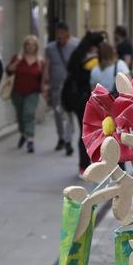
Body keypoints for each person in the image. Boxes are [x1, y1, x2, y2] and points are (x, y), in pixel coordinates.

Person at [63, 31, 106, 174]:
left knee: (84, 132)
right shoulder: (92, 61)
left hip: (76, 100)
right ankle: (91, 163)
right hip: (88, 100)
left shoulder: (77, 55)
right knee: (93, 132)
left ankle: (83, 165)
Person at [7, 35, 49, 154]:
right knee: (20, 116)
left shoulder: (40, 61)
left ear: (36, 47)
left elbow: (44, 78)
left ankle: (30, 139)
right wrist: (18, 61)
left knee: (28, 113)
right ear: (24, 46)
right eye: (28, 45)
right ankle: (23, 133)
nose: (30, 47)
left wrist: (45, 89)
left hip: (33, 92)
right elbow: (9, 70)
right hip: (17, 92)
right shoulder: (17, 58)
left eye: (33, 45)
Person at [45, 23, 78, 155]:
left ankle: (68, 140)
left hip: (71, 88)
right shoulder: (50, 48)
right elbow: (46, 67)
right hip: (56, 87)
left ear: (68, 34)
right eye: (58, 36)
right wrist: (44, 84)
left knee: (68, 114)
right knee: (58, 114)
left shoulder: (76, 45)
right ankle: (61, 137)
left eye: (62, 35)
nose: (60, 38)